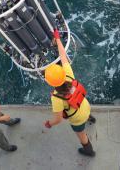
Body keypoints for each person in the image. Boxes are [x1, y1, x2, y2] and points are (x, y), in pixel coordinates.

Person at [43, 29, 95, 157]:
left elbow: (59, 119)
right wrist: (58, 38)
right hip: (85, 106)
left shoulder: (56, 98)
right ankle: (91, 119)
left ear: (51, 83)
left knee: (82, 135)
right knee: (85, 113)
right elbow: (63, 56)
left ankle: (89, 151)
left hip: (77, 119)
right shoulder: (68, 75)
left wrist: (50, 123)